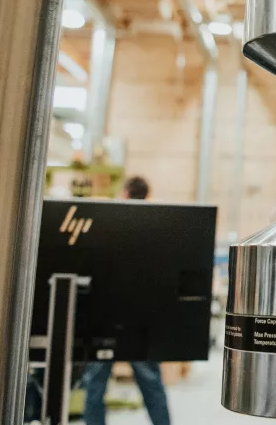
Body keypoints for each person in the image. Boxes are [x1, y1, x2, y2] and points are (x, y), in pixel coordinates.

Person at [81, 176, 172, 425]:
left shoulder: (108, 223)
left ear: (124, 193)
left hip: (105, 319)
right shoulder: (156, 228)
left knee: (95, 384)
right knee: (152, 383)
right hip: (139, 321)